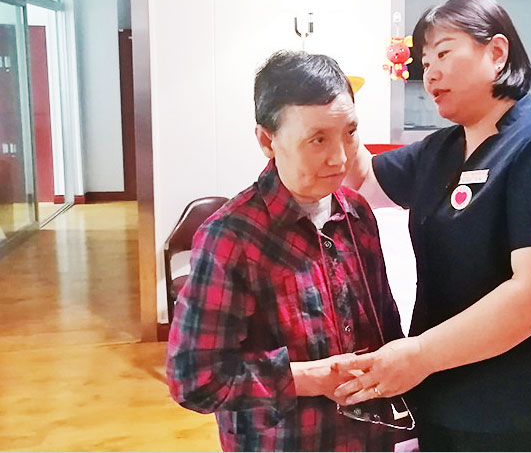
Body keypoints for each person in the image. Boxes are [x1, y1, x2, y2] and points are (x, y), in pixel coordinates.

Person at [336, 0, 531, 451]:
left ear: (497, 53)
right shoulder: (441, 150)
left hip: (529, 415)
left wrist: (419, 355)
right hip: (444, 401)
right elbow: (363, 180)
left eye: (444, 53)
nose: (430, 74)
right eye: (426, 62)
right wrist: (340, 119)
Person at [166, 50, 405, 452]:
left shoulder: (357, 213)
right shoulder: (231, 237)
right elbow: (195, 379)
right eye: (318, 139)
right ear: (267, 140)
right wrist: (311, 377)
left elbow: (384, 326)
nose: (340, 158)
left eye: (350, 133)